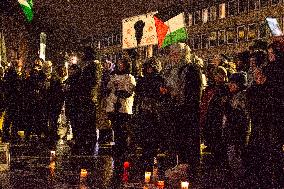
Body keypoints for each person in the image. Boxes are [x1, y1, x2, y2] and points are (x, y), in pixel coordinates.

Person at [161, 43, 202, 182]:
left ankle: (191, 171)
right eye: (172, 54)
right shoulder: (174, 70)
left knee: (189, 141)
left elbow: (193, 93)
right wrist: (167, 92)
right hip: (176, 109)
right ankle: (182, 166)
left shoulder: (192, 69)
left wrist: (177, 95)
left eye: (176, 54)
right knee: (178, 140)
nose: (173, 57)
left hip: (188, 111)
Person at [105, 58, 136, 185]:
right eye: (119, 64)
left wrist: (121, 92)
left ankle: (123, 148)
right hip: (113, 106)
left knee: (123, 129)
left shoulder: (130, 77)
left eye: (122, 65)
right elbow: (109, 88)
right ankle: (118, 146)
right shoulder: (114, 76)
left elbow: (130, 91)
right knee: (116, 128)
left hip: (124, 107)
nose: (120, 66)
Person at [135, 57, 166, 173]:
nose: (149, 69)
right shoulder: (143, 80)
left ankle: (152, 153)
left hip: (155, 108)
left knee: (153, 132)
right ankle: (145, 152)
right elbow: (139, 91)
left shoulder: (159, 79)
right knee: (144, 131)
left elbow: (160, 93)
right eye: (147, 67)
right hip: (144, 108)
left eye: (151, 67)